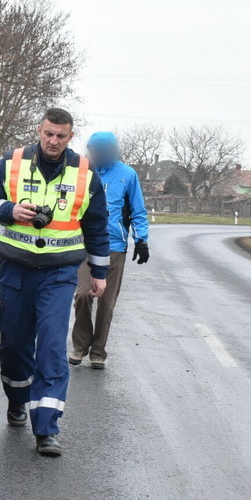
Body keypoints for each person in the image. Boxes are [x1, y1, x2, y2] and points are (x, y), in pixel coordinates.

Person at [0, 108, 109, 457]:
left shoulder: (85, 172)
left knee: (51, 346)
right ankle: (17, 401)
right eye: (48, 134)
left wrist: (99, 273)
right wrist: (9, 210)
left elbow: (97, 224)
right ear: (39, 130)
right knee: (14, 346)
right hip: (16, 269)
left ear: (70, 136)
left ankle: (46, 428)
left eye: (61, 136)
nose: (53, 141)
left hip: (59, 273)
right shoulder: (10, 163)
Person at [70, 131, 149, 370]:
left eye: (105, 151)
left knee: (106, 301)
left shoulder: (128, 175)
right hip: (84, 243)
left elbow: (138, 210)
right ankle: (80, 345)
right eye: (96, 150)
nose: (100, 155)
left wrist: (142, 239)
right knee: (83, 294)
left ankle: (98, 351)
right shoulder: (82, 172)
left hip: (114, 246)